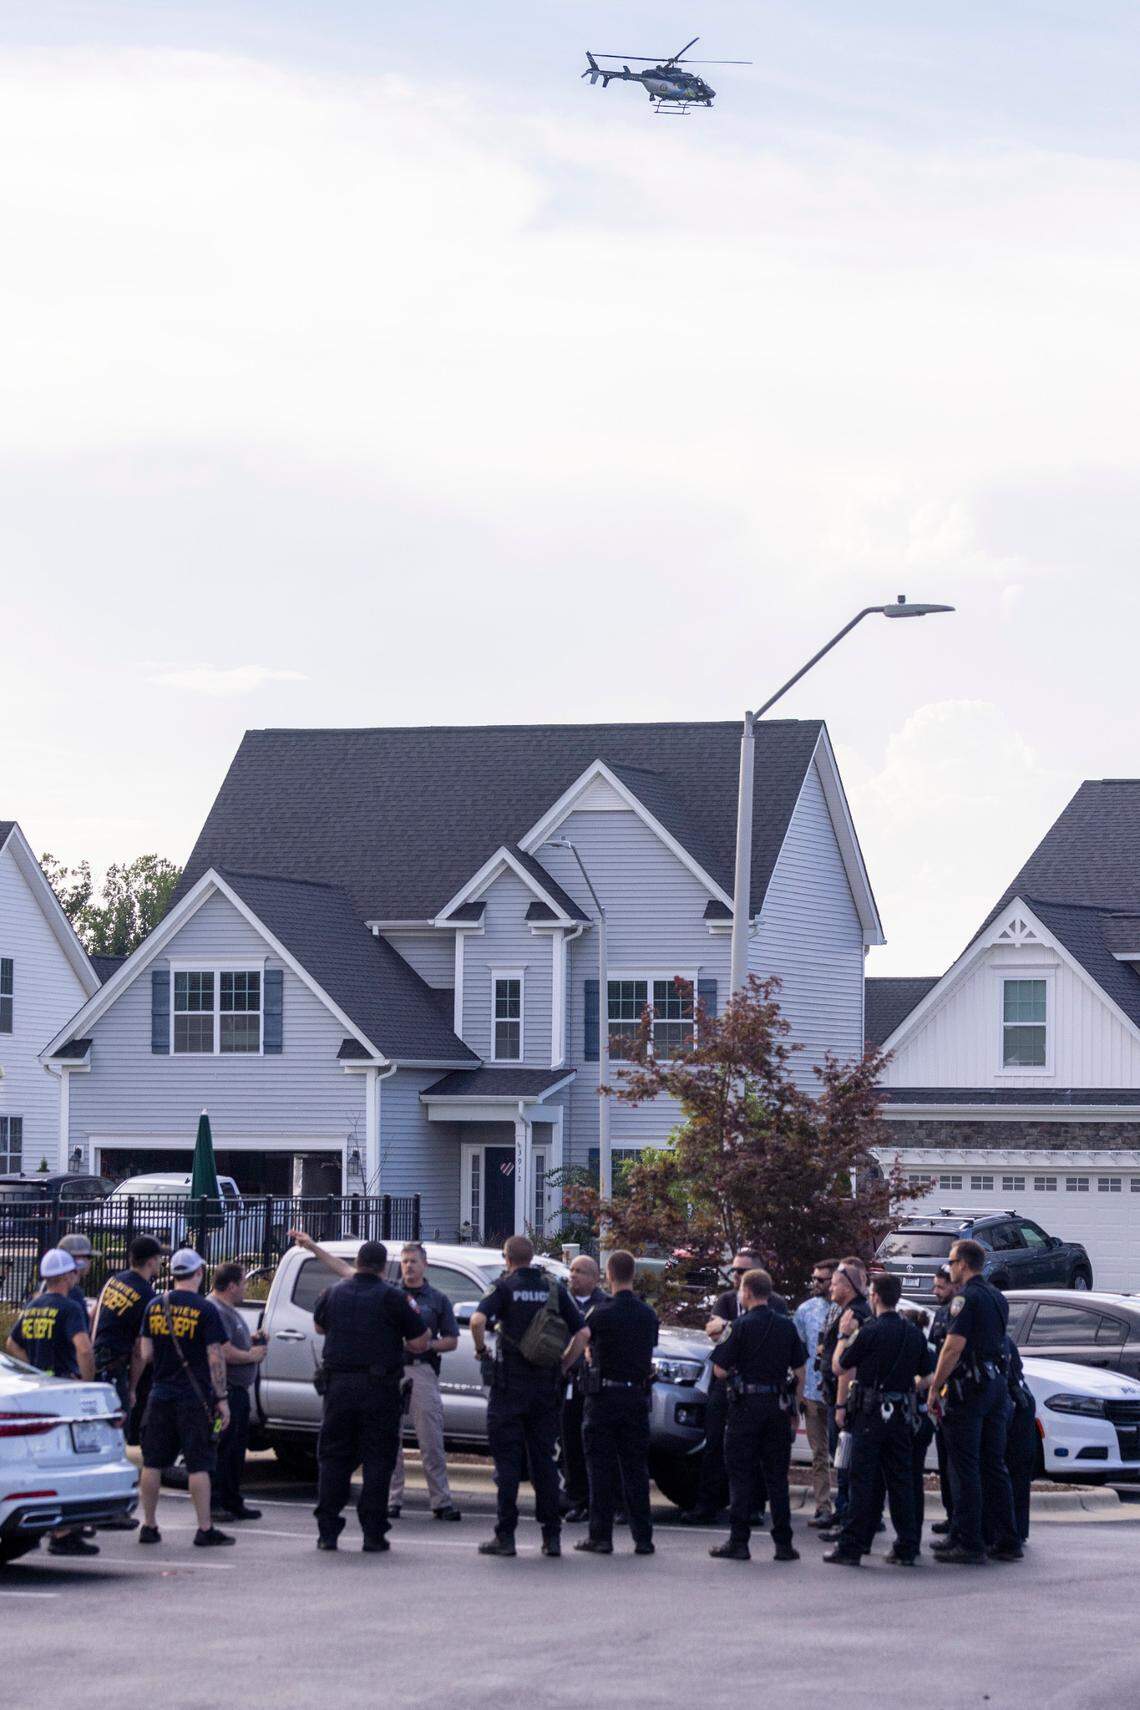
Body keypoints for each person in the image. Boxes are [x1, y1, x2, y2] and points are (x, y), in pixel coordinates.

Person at [470, 1234, 588, 1558]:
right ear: (532, 1256)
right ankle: (552, 1537)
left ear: (506, 1257)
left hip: (509, 1387)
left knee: (507, 1466)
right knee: (544, 1464)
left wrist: (481, 1350)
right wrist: (565, 1364)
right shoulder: (553, 1287)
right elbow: (583, 1333)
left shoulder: (504, 1287)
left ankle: (505, 1537)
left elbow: (478, 1321)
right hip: (545, 1387)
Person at [310, 1238, 430, 1552]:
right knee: (378, 1460)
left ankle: (328, 1532)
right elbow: (419, 1343)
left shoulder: (333, 1293)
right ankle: (373, 1533)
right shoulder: (393, 1298)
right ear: (383, 1266)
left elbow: (319, 1327)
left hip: (338, 1388)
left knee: (334, 1458)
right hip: (379, 1389)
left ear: (359, 1263)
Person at [822, 1273, 931, 1568]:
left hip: (870, 1414)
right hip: (901, 1415)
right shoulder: (913, 1332)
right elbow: (929, 1374)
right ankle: (907, 1546)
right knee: (901, 1482)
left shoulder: (869, 1331)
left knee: (863, 1482)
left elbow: (839, 1366)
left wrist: (844, 1336)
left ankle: (852, 1546)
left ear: (875, 1297)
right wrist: (907, 1389)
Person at [926, 1238, 1021, 1566]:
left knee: (963, 1466)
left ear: (963, 1264)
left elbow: (953, 1347)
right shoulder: (996, 1296)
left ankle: (968, 1541)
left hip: (969, 1388)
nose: (949, 1267)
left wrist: (934, 1387)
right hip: (994, 1386)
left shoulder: (964, 1298)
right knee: (994, 1464)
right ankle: (1006, 1538)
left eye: (951, 1262)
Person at [682, 1249, 789, 1526]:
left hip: (758, 1388)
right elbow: (711, 1331)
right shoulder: (727, 1300)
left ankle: (754, 1507)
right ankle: (707, 1504)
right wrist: (737, 1329)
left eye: (741, 1271)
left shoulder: (776, 1304)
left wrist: (731, 1328)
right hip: (726, 1383)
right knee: (714, 1445)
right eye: (734, 1271)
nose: (736, 1276)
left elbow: (764, 1337)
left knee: (757, 1452)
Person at [136, 1248, 234, 1550]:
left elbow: (146, 1354)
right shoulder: (205, 1310)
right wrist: (222, 1398)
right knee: (198, 1464)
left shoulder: (154, 1305)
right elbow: (215, 1357)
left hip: (160, 1393)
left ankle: (149, 1525)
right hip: (194, 1397)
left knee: (152, 1462)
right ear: (199, 1273)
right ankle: (205, 1528)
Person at [708, 1268, 806, 1563]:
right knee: (777, 1477)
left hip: (745, 1408)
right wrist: (795, 1407)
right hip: (777, 1406)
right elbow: (800, 1370)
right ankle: (784, 1544)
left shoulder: (738, 1326)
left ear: (747, 1292)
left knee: (740, 1475)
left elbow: (720, 1369)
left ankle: (739, 1542)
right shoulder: (787, 1327)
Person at [6, 1248, 98, 1558]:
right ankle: (63, 1532)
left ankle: (57, 1528)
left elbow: (11, 1343)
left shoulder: (33, 1306)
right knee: (71, 1462)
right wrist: (86, 1384)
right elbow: (83, 1349)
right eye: (74, 1272)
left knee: (47, 1462)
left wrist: (31, 1369)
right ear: (67, 1276)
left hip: (38, 1390)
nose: (76, 1275)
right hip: (63, 1390)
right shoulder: (70, 1308)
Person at [574, 1249, 658, 1558]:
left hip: (604, 1397)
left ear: (608, 1275)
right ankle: (643, 1538)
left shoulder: (600, 1312)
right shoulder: (648, 1314)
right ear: (633, 1275)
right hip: (635, 1396)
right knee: (636, 1470)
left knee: (601, 1469)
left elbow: (585, 1343)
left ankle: (601, 1537)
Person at [389, 1241, 462, 1522]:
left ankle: (441, 1501)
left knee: (430, 1439)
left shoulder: (437, 1299)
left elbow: (452, 1340)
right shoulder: (391, 1295)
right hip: (393, 1370)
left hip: (422, 1370)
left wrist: (429, 1345)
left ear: (425, 1264)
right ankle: (392, 1499)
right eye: (405, 1261)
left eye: (414, 1261)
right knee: (388, 1439)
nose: (408, 1266)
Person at [817, 1258, 872, 1541]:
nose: (830, 1289)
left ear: (849, 1286)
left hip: (846, 1402)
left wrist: (840, 1405)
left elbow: (847, 1367)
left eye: (835, 1283)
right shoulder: (846, 1311)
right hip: (835, 1396)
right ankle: (842, 1512)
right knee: (840, 1459)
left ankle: (847, 1518)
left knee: (846, 1460)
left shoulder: (855, 1316)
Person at [208, 1262, 267, 1524]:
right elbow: (223, 1352)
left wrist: (251, 1340)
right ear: (231, 1286)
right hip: (226, 1393)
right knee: (223, 1448)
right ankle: (217, 1502)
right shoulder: (216, 1310)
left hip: (238, 1393)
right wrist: (250, 1355)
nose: (245, 1287)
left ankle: (232, 1500)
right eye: (243, 1282)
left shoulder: (229, 1310)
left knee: (235, 1450)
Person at [92, 1234, 166, 1416]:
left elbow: (93, 1314)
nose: (161, 1262)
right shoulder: (147, 1296)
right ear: (151, 1261)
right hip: (116, 1369)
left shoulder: (115, 1280)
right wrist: (132, 1388)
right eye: (159, 1258)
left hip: (96, 1362)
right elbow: (140, 1351)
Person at [560, 1254, 608, 1523]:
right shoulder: (561, 1302)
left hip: (593, 1382)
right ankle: (576, 1499)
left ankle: (600, 1501)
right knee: (569, 1443)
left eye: (580, 1271)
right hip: (565, 1381)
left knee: (594, 1444)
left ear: (594, 1277)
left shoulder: (603, 1305)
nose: (573, 1275)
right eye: (572, 1270)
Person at [793, 1259, 838, 1526]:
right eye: (814, 1278)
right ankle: (823, 1505)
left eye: (821, 1279)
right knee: (819, 1453)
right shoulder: (805, 1311)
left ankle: (850, 1504)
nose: (815, 1284)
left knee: (842, 1452)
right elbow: (799, 1353)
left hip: (839, 1392)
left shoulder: (846, 1310)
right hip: (812, 1390)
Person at [926, 1263, 957, 1535]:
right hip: (942, 1396)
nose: (936, 1291)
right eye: (934, 1286)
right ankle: (951, 1514)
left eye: (941, 1286)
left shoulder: (958, 1312)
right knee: (945, 1461)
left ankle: (961, 1520)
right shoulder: (940, 1314)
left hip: (955, 1393)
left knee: (956, 1463)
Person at [58, 1232, 94, 1330]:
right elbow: (82, 1332)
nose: (91, 1261)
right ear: (78, 1259)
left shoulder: (44, 1287)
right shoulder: (73, 1292)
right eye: (89, 1257)